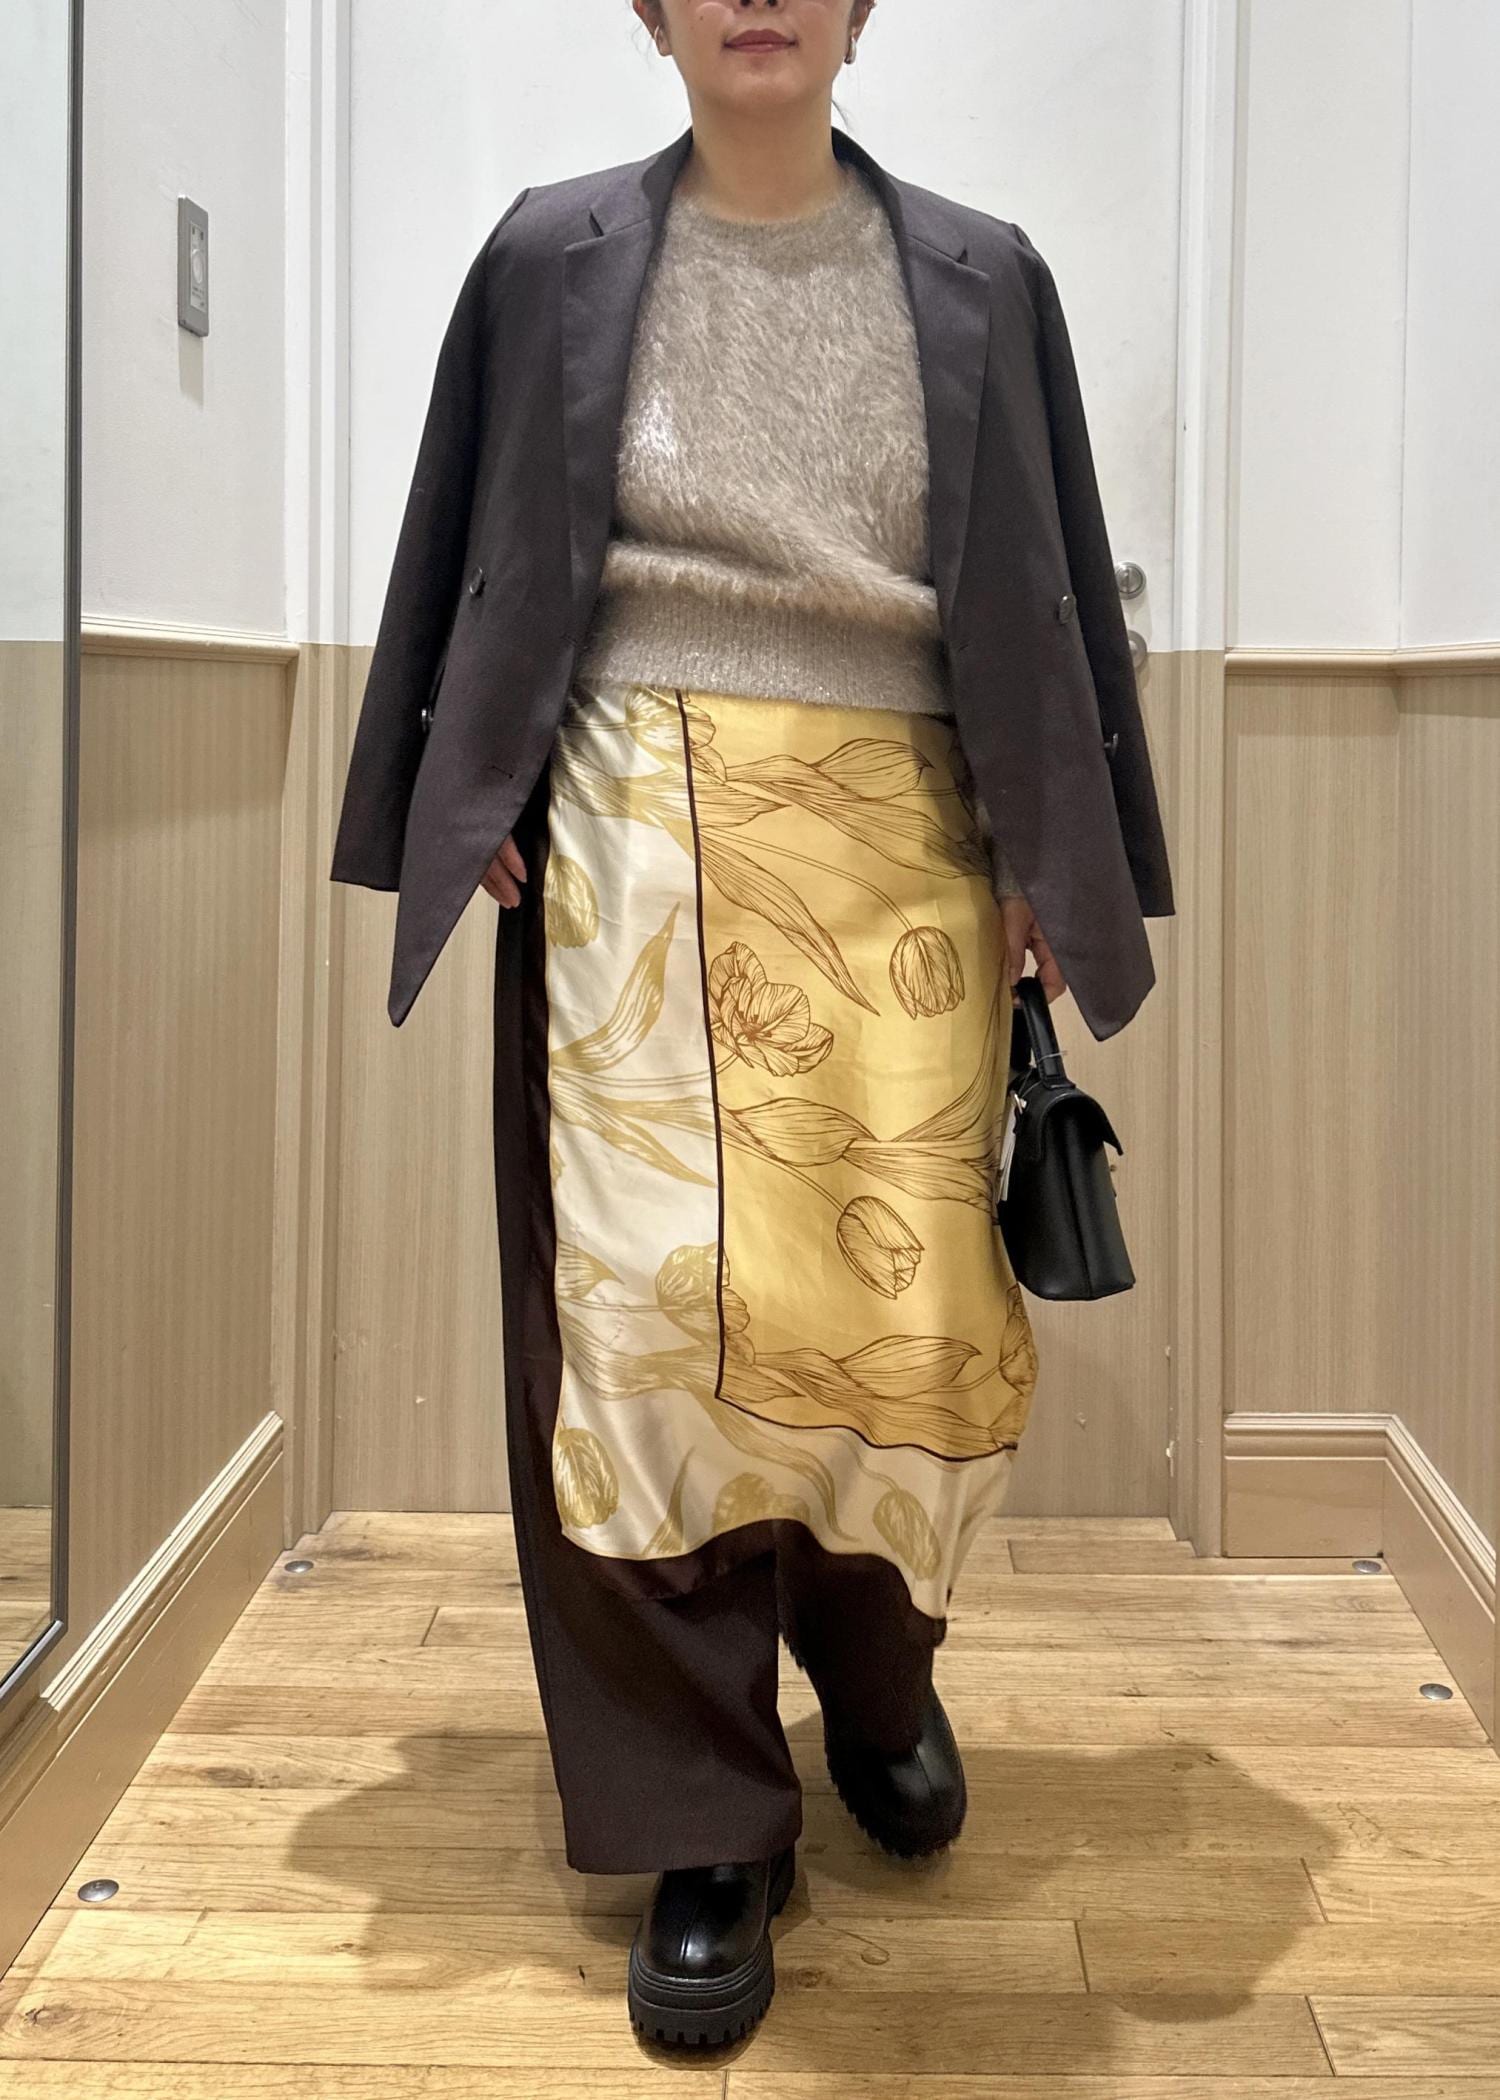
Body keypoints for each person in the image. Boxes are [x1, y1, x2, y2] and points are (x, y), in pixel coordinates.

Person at [336, 0, 1171, 2053]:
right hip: (630, 844)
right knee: (643, 1352)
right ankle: (702, 1812)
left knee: (908, 1338)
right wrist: (467, 782)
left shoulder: (983, 274)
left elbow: (1051, 583)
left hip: (910, 857)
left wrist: (1052, 852)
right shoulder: (548, 258)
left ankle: (876, 1678)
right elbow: (470, 550)